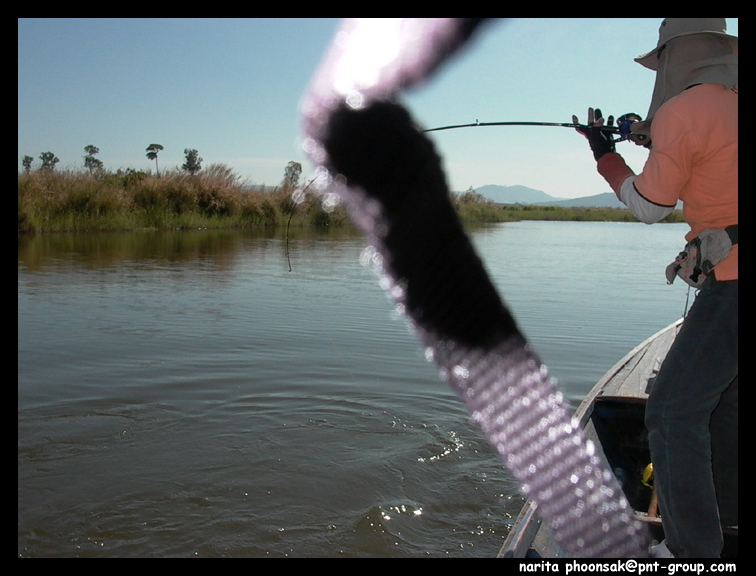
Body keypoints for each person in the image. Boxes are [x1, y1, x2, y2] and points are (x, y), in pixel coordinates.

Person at [573, 19, 737, 558]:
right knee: (724, 404)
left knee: (670, 414)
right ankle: (728, 521)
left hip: (735, 287)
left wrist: (606, 155)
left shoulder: (682, 113)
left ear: (672, 60)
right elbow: (713, 161)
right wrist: (653, 137)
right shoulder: (724, 102)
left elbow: (649, 205)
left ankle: (694, 554)